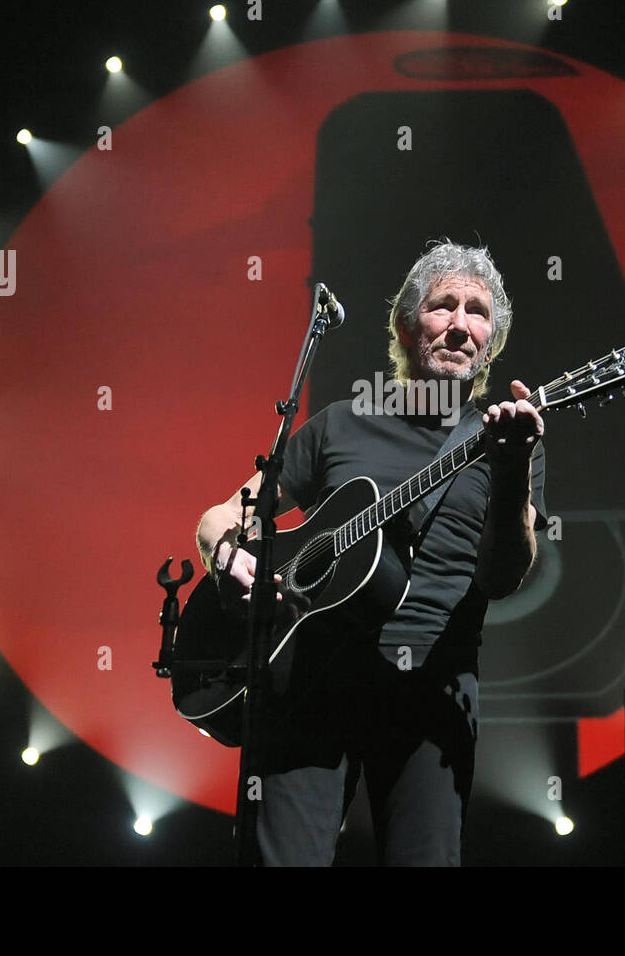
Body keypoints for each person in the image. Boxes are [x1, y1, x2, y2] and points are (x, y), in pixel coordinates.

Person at [195, 240, 548, 865]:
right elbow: (223, 515)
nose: (462, 325)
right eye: (445, 306)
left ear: (491, 341)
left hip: (430, 692)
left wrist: (514, 465)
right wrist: (225, 555)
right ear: (409, 326)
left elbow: (501, 577)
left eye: (479, 313)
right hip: (307, 679)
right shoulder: (341, 423)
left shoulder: (507, 442)